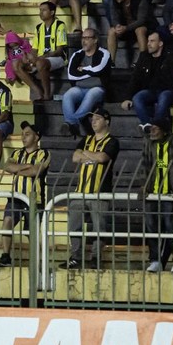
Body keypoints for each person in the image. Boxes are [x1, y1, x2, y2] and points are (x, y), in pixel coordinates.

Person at [60, 108, 118, 269]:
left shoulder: (112, 141)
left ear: (107, 121)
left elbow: (103, 157)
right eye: (92, 119)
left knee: (99, 227)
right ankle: (76, 257)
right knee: (74, 225)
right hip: (81, 190)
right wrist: (92, 156)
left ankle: (96, 258)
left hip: (100, 191)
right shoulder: (86, 139)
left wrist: (86, 155)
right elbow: (74, 157)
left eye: (98, 119)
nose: (93, 121)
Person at [0, 121, 50, 268]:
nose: (23, 137)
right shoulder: (16, 153)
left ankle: (37, 261)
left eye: (27, 134)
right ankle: (6, 255)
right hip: (16, 196)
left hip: (35, 198)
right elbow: (7, 166)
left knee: (31, 231)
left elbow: (36, 171)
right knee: (7, 222)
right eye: (22, 134)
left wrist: (18, 169)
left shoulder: (44, 153)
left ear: (36, 137)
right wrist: (26, 167)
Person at [139, 122, 173, 273]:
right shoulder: (148, 143)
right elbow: (145, 165)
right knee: (151, 227)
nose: (152, 130)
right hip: (152, 194)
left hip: (169, 194)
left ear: (165, 131)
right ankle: (154, 260)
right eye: (151, 127)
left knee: (171, 228)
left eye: (156, 128)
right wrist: (144, 187)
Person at [122, 31, 173, 132]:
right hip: (150, 91)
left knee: (164, 97)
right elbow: (135, 78)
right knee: (137, 98)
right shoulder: (144, 56)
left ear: (160, 43)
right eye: (148, 41)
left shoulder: (170, 57)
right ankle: (148, 124)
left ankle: (157, 125)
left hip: (167, 90)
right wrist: (127, 98)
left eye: (152, 41)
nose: (148, 44)